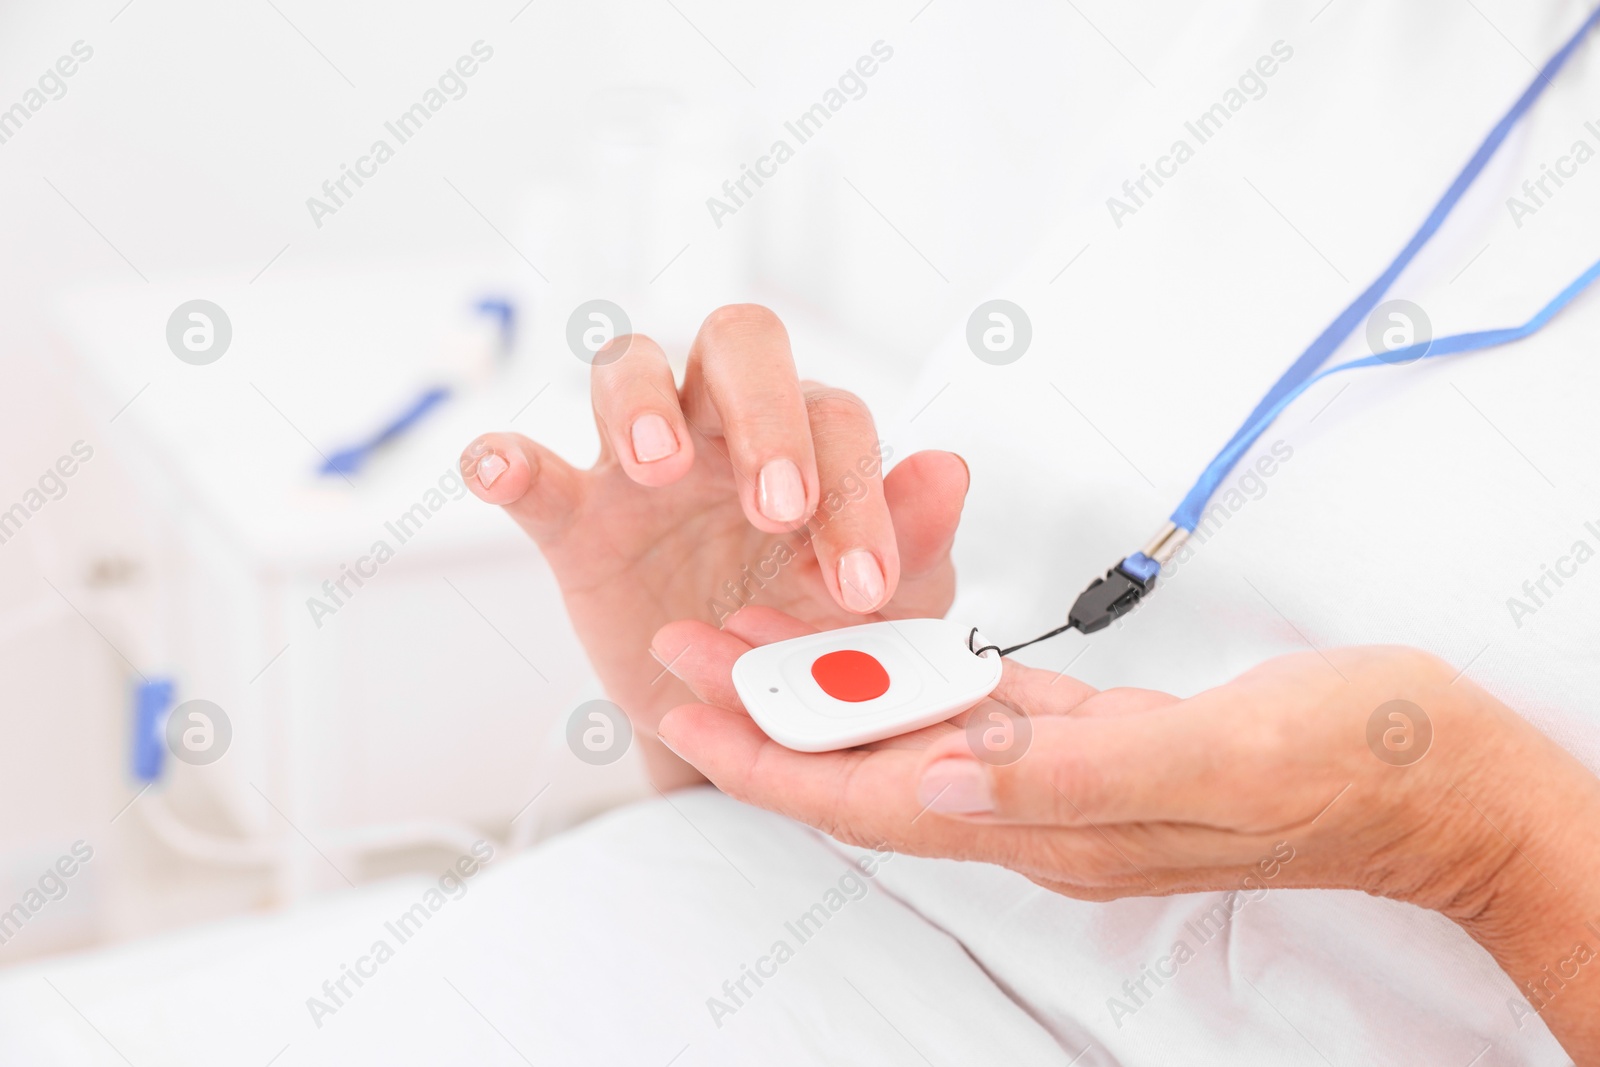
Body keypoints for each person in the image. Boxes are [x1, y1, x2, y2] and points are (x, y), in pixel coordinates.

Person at [458, 3, 1600, 1061]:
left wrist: (1484, 839)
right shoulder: (1312, 42)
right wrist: (719, 701)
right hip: (689, 944)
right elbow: (892, 794)